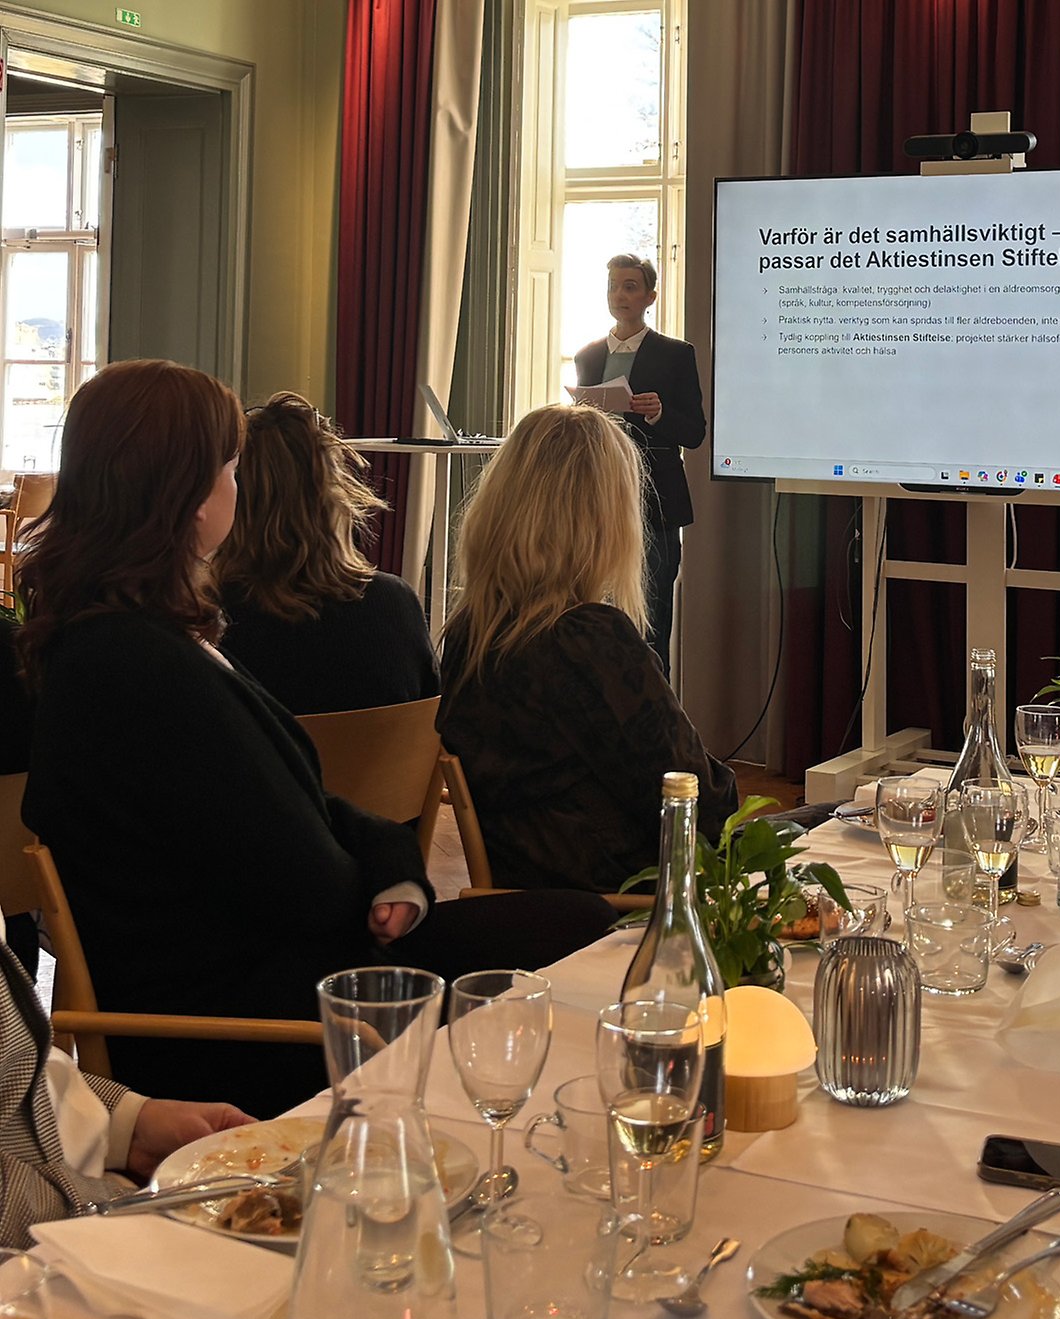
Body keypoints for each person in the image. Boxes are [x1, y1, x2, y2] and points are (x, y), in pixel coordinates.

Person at [17, 361, 614, 1116]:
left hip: (293, 969)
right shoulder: (136, 666)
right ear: (188, 498)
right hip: (249, 1029)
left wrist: (394, 868)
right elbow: (307, 881)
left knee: (583, 928)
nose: (237, 487)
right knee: (580, 946)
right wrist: (383, 871)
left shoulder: (142, 638)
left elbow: (304, 808)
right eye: (229, 470)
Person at [438, 404, 738, 893]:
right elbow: (702, 809)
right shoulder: (588, 641)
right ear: (605, 519)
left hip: (534, 901)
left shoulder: (469, 634)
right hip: (627, 905)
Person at [0, 941, 253, 1247]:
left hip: (82, 1190)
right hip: (50, 1238)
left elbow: (16, 1063)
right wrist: (128, 1203)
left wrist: (126, 1125)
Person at [213, 392, 439, 716]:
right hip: (374, 753)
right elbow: (432, 719)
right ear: (337, 496)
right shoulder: (396, 603)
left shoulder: (213, 621)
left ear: (238, 500)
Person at [572, 254, 706, 664]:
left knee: (651, 622)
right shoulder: (588, 356)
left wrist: (659, 414)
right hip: (598, 499)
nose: (619, 295)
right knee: (594, 617)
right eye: (613, 286)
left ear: (650, 297)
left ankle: (652, 701)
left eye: (630, 287)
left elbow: (695, 433)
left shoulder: (675, 354)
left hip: (655, 502)